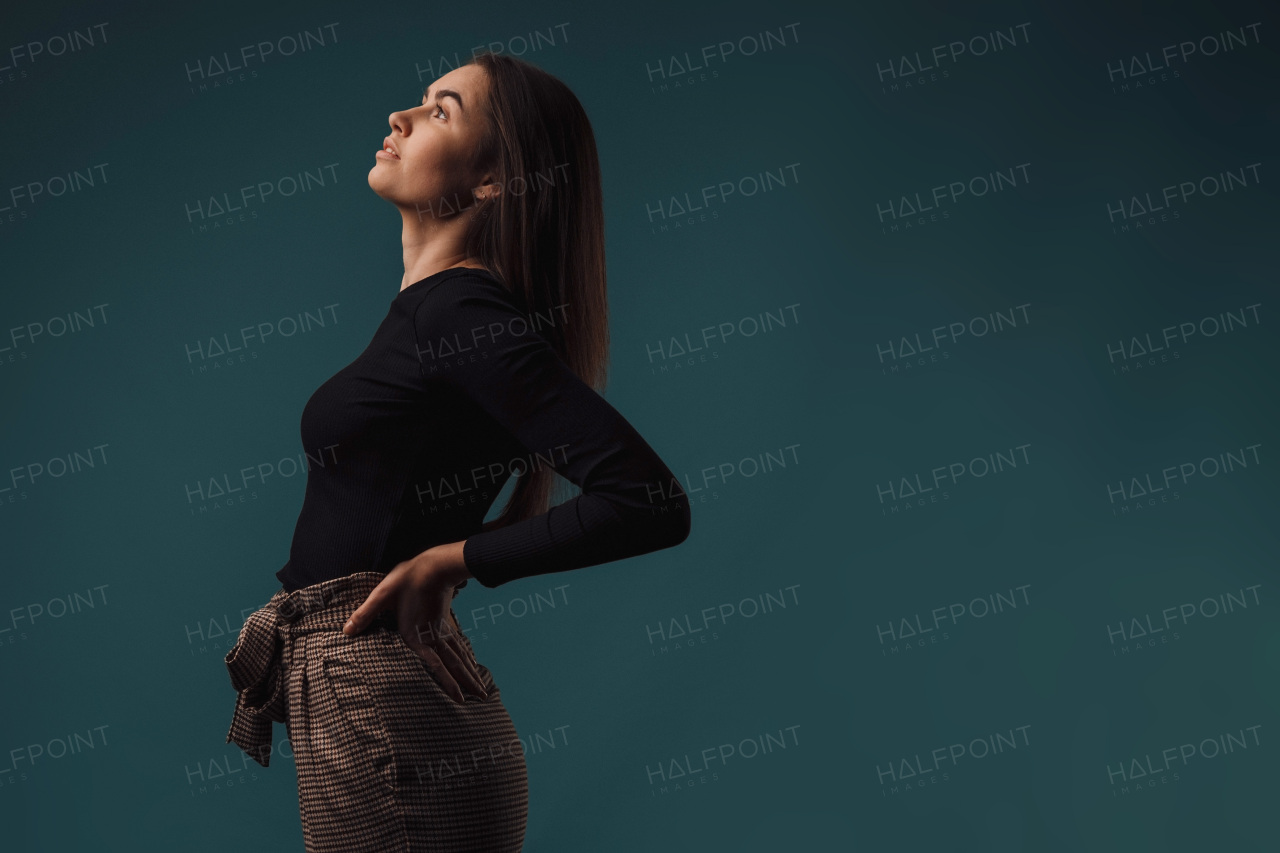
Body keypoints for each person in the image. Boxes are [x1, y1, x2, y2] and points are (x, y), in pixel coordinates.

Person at [223, 51, 692, 852]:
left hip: (379, 704)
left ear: (491, 183)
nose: (400, 117)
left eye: (442, 111)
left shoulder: (458, 314)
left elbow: (649, 500)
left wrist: (451, 559)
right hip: (367, 693)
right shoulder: (437, 313)